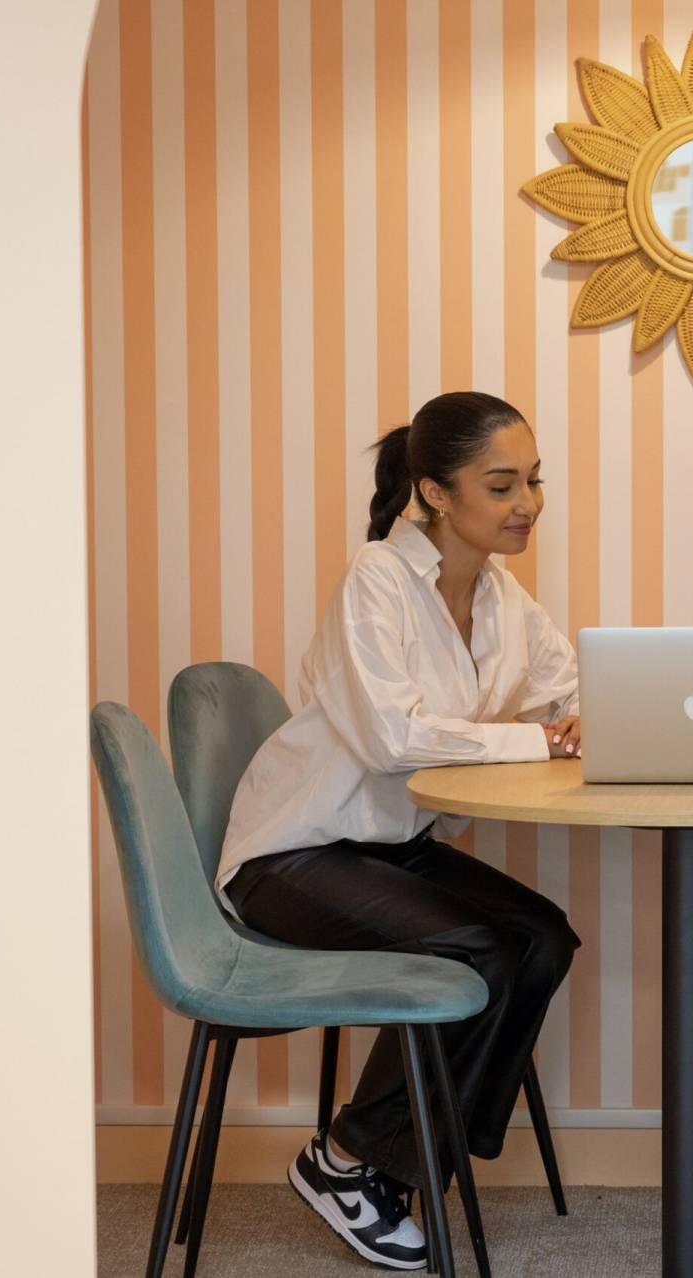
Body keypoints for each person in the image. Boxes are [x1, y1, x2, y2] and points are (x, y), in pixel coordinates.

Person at [216, 391, 583, 1270]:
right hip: (292, 854)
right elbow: (391, 738)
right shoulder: (375, 581)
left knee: (541, 938)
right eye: (500, 485)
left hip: (384, 849)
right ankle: (351, 1162)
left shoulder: (502, 599)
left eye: (532, 481)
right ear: (435, 491)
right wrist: (536, 737)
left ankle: (399, 1163)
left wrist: (604, 719)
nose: (525, 503)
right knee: (478, 949)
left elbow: (570, 688)